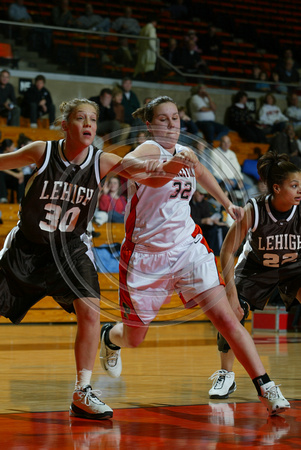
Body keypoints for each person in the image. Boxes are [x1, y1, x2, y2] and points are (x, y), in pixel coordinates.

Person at [0, 97, 193, 420]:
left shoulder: (102, 161)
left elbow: (150, 177)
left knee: (90, 312)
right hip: (28, 247)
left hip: (70, 249)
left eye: (93, 119)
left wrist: (175, 165)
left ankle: (82, 391)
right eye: (80, 118)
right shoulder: (41, 152)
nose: (88, 124)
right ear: (65, 125)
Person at [99, 96, 290, 416]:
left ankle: (267, 387)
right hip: (146, 255)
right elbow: (143, 172)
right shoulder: (147, 151)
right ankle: (111, 337)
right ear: (150, 124)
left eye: (175, 119)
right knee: (135, 338)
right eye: (163, 119)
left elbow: (200, 172)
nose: (172, 125)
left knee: (228, 318)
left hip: (187, 248)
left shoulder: (185, 152)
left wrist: (226, 202)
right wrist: (169, 165)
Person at [208, 151, 301, 406]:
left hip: (293, 267)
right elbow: (227, 250)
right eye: (294, 186)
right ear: (276, 187)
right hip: (256, 269)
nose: (299, 190)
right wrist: (229, 292)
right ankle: (226, 374)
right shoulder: (255, 209)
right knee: (232, 314)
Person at [190, 183, 230, 255]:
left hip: (203, 228)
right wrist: (202, 221)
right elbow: (188, 219)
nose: (202, 196)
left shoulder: (204, 203)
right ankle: (214, 253)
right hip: (192, 229)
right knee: (215, 231)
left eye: (204, 195)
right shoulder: (188, 203)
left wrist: (213, 221)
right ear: (195, 192)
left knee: (220, 229)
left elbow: (207, 217)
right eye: (201, 194)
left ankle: (216, 253)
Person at [0, 138, 25, 203]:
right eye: (13, 146)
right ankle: (3, 197)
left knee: (22, 176)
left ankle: (21, 199)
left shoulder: (13, 154)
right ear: (7, 148)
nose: (14, 148)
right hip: (2, 178)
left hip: (10, 178)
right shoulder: (1, 154)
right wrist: (15, 175)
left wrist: (20, 173)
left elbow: (18, 168)